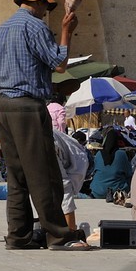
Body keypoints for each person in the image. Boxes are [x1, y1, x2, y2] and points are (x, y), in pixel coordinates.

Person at [0, 0, 88, 250]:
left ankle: (18, 236)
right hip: (27, 107)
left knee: (17, 177)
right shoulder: (35, 26)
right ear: (38, 2)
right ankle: (57, 234)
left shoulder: (1, 30)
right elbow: (59, 63)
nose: (47, 11)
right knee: (43, 173)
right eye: (46, 5)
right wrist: (66, 31)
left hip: (5, 106)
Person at [49, 101, 90, 236]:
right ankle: (70, 232)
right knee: (64, 188)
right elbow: (66, 189)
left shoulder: (46, 107)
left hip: (45, 137)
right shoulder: (79, 159)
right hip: (51, 139)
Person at [88, 127, 134, 202]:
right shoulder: (122, 154)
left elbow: (94, 171)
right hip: (117, 193)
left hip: (98, 192)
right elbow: (128, 173)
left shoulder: (99, 154)